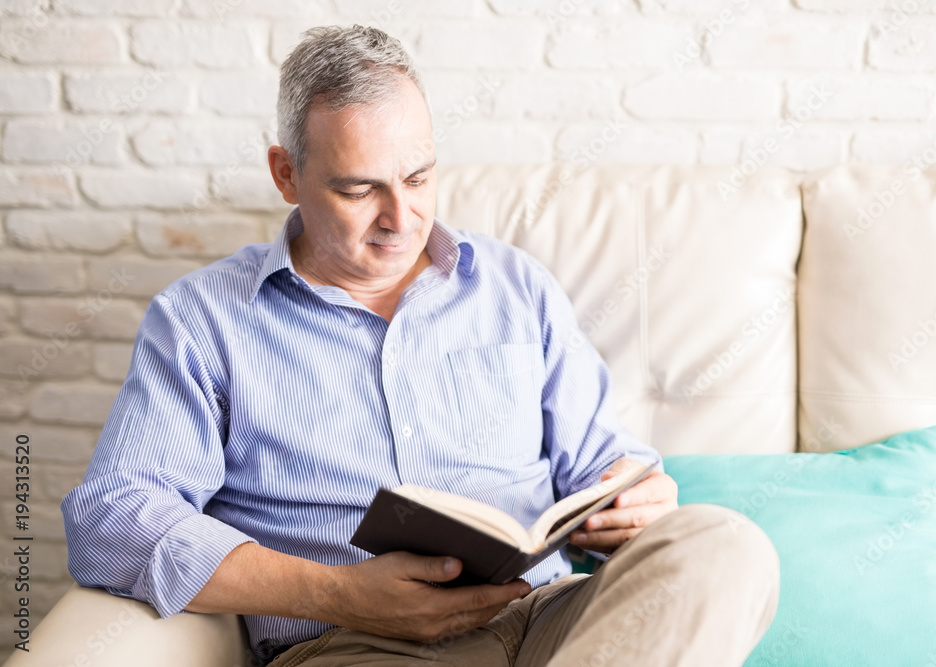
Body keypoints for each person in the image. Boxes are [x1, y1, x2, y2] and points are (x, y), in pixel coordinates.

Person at [61, 25, 780, 667]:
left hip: (546, 622)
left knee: (725, 546)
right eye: (358, 190)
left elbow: (601, 467)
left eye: (418, 177)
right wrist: (341, 594)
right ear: (287, 174)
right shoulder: (201, 320)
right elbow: (112, 518)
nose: (399, 218)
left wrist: (635, 497)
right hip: (353, 643)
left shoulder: (514, 286)